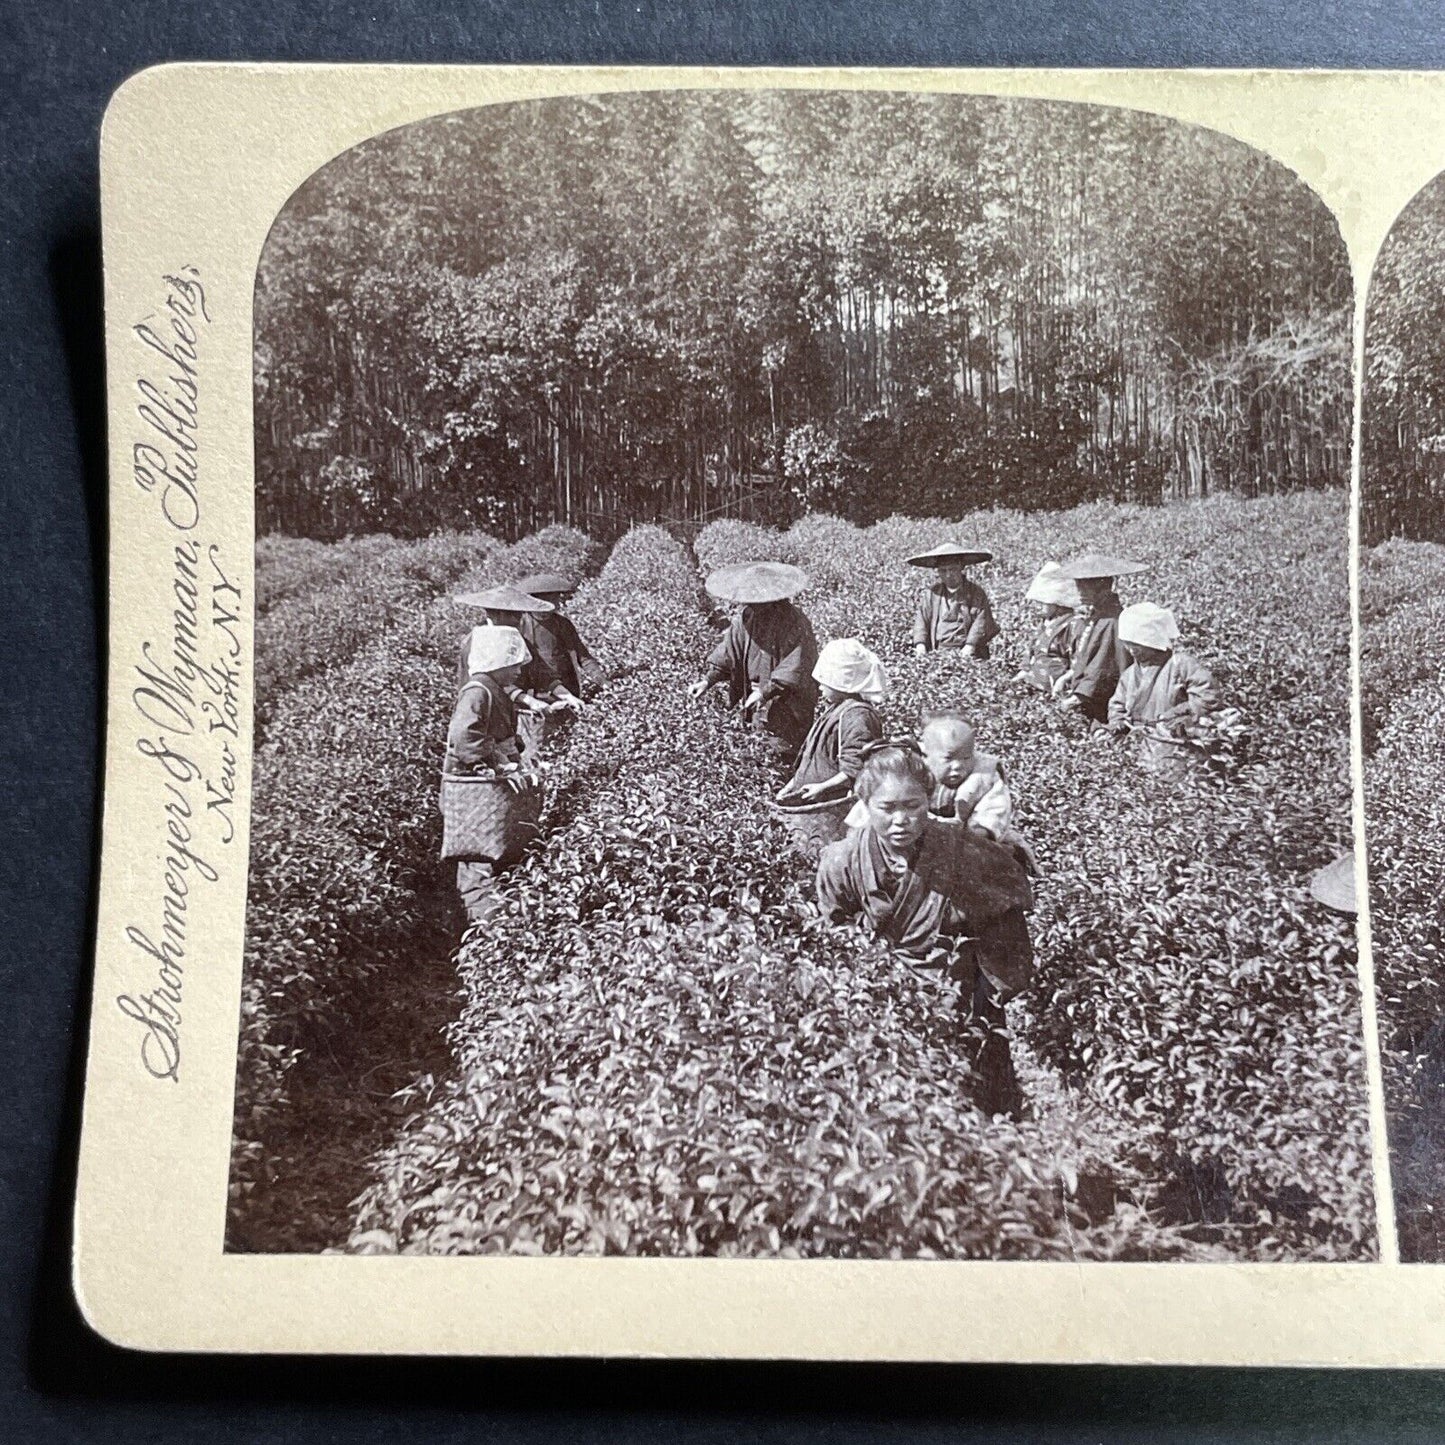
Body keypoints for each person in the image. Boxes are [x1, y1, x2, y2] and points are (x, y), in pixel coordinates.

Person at [816, 745, 1034, 1117]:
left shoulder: (965, 850)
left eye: (913, 805)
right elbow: (834, 931)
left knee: (979, 1100)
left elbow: (1009, 914)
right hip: (887, 997)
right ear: (865, 803)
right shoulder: (843, 860)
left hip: (964, 994)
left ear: (929, 800)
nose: (901, 819)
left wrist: (991, 987)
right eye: (887, 808)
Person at [442, 625, 541, 923]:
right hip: (472, 785)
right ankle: (480, 925)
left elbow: (500, 730)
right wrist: (496, 762)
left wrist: (511, 753)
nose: (518, 672)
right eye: (513, 665)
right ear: (497, 662)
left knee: (493, 844)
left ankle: (498, 916)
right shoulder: (477, 691)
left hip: (486, 782)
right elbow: (463, 737)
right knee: (476, 854)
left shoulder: (492, 689)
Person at [689, 562, 819, 766]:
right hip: (755, 696)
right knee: (756, 747)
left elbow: (797, 664)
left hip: (784, 701)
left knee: (782, 751)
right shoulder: (747, 617)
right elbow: (730, 650)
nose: (751, 604)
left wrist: (765, 691)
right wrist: (708, 680)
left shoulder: (795, 622)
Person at [453, 585, 573, 752]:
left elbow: (538, 670)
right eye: (516, 617)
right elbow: (489, 682)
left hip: (508, 714)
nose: (519, 621)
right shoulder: (477, 643)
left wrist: (566, 695)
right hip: (486, 713)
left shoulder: (514, 638)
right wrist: (529, 700)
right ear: (500, 614)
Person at [1105, 602, 1220, 777]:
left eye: (1136, 644)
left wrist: (1182, 713)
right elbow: (1117, 704)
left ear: (1152, 640)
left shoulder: (1180, 664)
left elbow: (1208, 696)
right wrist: (1117, 721)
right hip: (1141, 744)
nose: (1131, 650)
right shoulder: (1130, 675)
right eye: (1127, 644)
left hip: (1175, 742)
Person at [916, 710, 1037, 874]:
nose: (958, 766)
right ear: (925, 754)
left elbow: (994, 811)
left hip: (975, 842)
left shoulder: (985, 775)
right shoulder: (915, 771)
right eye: (948, 759)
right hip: (924, 838)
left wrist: (976, 834)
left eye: (966, 758)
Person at [777, 638, 888, 804]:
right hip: (814, 802)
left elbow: (856, 768)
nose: (820, 687)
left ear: (840, 682)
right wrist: (791, 786)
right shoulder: (837, 709)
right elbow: (810, 759)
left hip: (834, 806)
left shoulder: (857, 715)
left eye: (825, 682)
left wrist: (823, 788)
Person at [1052, 553, 1147, 724]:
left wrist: (1073, 700)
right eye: (1078, 586)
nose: (1080, 592)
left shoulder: (1110, 622)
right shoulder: (1099, 616)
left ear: (1102, 587)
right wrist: (1069, 676)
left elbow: (1101, 670)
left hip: (1103, 705)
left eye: (1085, 587)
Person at [510, 571, 606, 701]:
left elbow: (583, 657)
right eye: (541, 607)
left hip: (566, 686)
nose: (545, 613)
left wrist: (601, 680)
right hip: (535, 690)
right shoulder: (521, 625)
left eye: (550, 606)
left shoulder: (563, 624)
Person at [907, 543, 1000, 658]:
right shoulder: (932, 593)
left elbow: (982, 621)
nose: (948, 575)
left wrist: (970, 646)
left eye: (952, 569)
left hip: (966, 651)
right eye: (943, 571)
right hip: (937, 650)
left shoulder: (975, 592)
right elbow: (922, 619)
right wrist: (920, 645)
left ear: (961, 568)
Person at [1014, 561, 1081, 693]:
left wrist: (1063, 681)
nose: (1037, 606)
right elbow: (1032, 651)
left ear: (1057, 603)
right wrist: (1023, 671)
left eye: (1042, 603)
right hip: (1033, 682)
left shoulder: (1072, 625)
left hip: (1056, 688)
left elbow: (1078, 662)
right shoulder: (1045, 622)